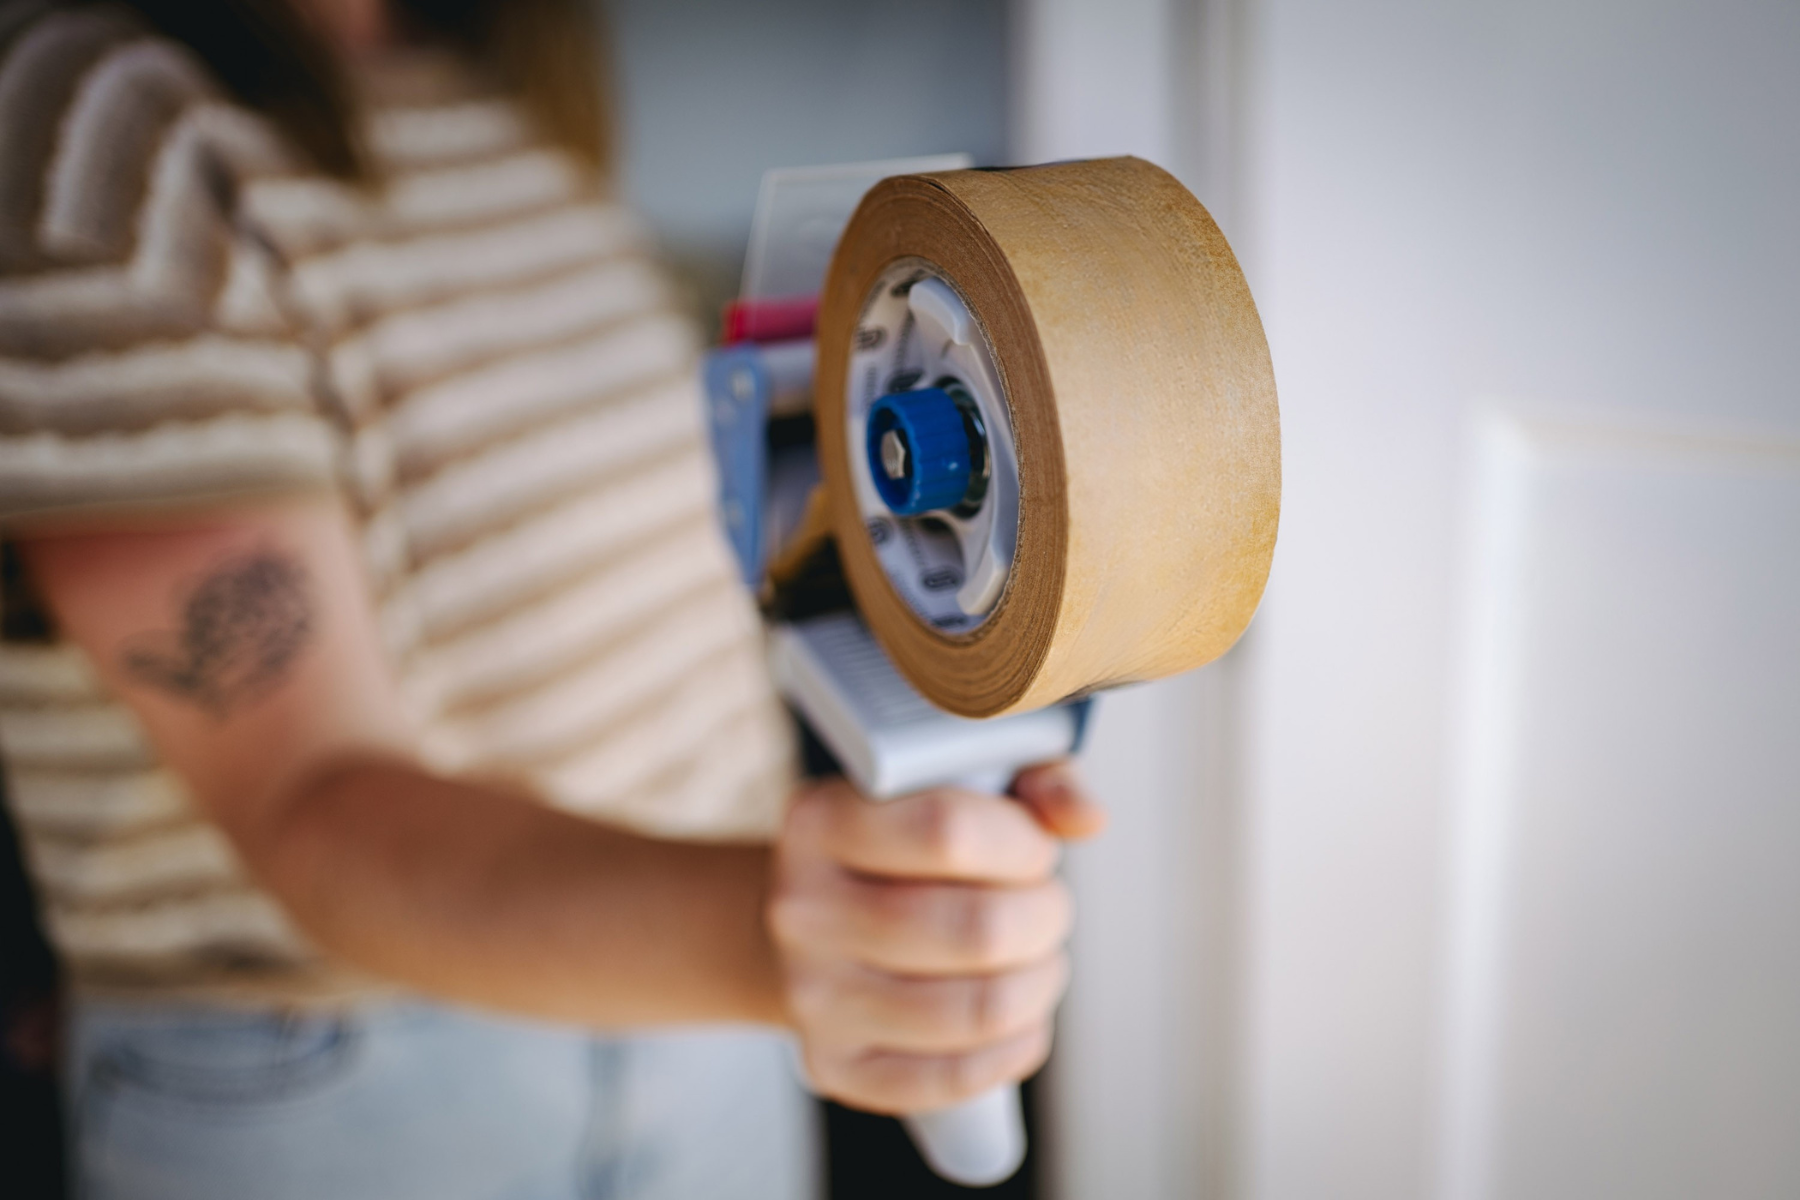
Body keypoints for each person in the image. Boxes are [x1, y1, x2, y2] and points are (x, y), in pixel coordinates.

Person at [0, 1, 1105, 1197]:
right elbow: (308, 800)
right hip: (376, 1079)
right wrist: (792, 938)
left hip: (719, 1008)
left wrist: (879, 838)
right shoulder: (103, 122)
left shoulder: (498, 97)